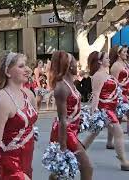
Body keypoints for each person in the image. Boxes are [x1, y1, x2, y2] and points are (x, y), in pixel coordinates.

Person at [0, 52, 37, 180]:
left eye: (26, 66)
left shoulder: (29, 94)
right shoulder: (2, 100)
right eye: (21, 66)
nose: (28, 70)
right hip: (9, 163)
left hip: (27, 160)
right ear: (7, 72)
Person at [49, 51, 93, 180]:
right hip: (65, 132)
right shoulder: (62, 87)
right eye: (74, 61)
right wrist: (62, 147)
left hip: (71, 130)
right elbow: (62, 119)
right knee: (87, 167)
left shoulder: (70, 83)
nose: (77, 64)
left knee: (59, 171)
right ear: (68, 65)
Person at [82, 51, 129, 171]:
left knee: (93, 134)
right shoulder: (98, 75)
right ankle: (124, 161)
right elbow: (96, 95)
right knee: (118, 133)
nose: (109, 60)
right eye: (106, 58)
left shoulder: (105, 73)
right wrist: (94, 113)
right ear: (99, 61)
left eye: (108, 58)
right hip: (105, 110)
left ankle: (78, 154)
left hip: (111, 108)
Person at [109, 45, 129, 138]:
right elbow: (114, 82)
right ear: (118, 54)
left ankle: (113, 140)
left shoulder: (125, 63)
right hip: (121, 94)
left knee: (118, 118)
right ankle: (110, 141)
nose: (126, 54)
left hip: (127, 92)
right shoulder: (115, 66)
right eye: (124, 52)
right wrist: (117, 95)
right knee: (117, 118)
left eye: (126, 51)